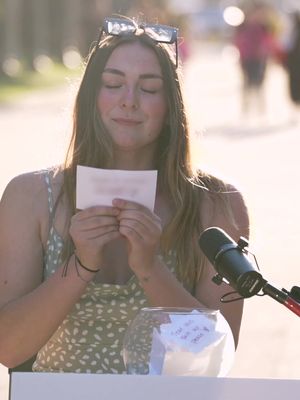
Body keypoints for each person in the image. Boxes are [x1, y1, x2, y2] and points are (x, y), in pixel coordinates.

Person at [0, 16, 249, 374]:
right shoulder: (30, 197)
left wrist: (150, 267)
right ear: (90, 98)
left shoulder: (217, 202)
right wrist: (81, 264)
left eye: (149, 89)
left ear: (170, 108)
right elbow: (8, 349)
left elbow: (215, 358)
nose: (129, 101)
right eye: (113, 84)